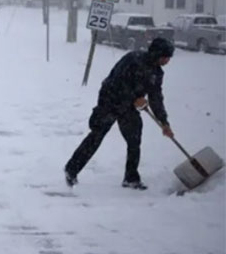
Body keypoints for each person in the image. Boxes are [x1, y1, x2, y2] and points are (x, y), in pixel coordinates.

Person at [64, 37, 176, 190]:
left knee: (134, 140)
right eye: (165, 57)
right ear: (156, 54)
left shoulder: (157, 73)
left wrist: (164, 122)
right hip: (110, 101)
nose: (167, 60)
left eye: (169, 57)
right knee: (97, 135)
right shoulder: (132, 59)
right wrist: (135, 98)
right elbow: (116, 81)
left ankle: (131, 178)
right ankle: (71, 170)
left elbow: (156, 98)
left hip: (128, 108)